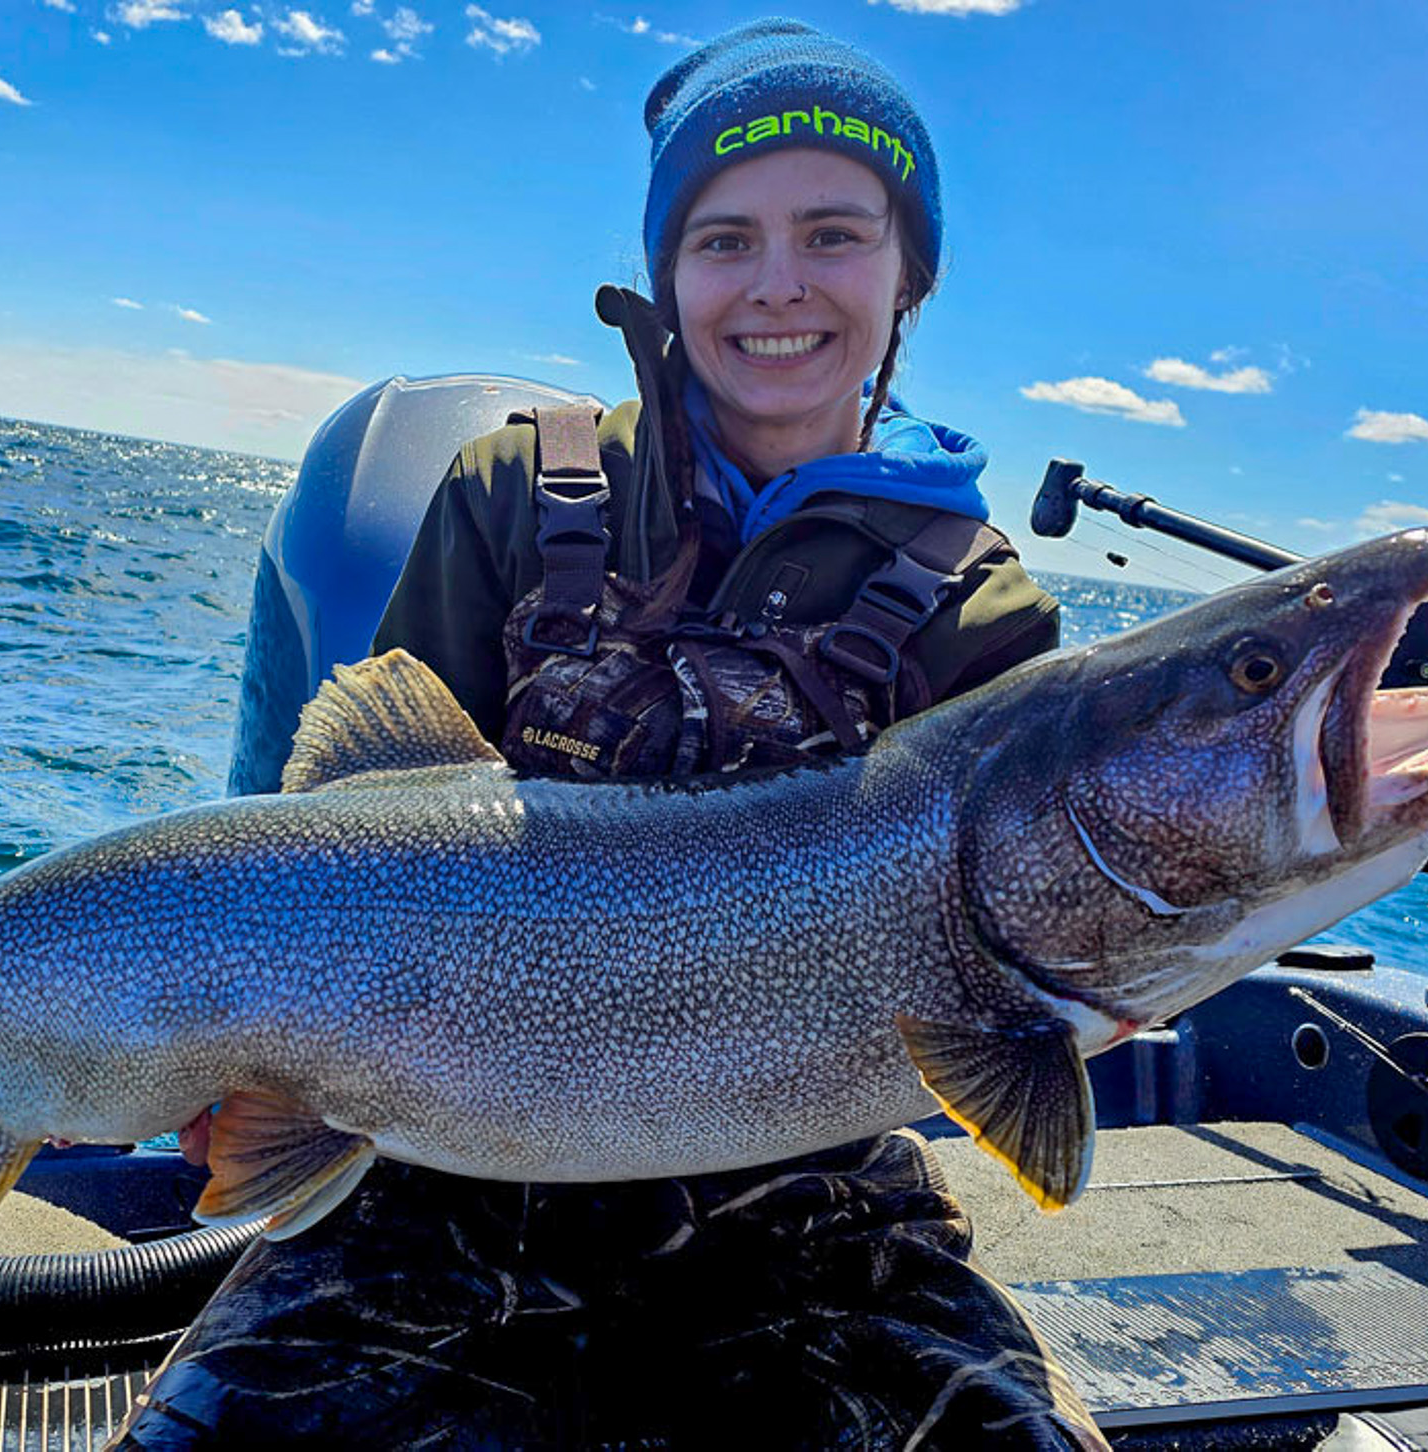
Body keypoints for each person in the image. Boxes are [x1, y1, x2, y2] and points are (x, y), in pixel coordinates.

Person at [118, 19, 1105, 1451]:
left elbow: (995, 976)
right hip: (430, 1157)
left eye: (834, 234)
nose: (778, 285)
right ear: (668, 273)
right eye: (724, 241)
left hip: (801, 1181)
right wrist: (245, 1061)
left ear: (910, 274)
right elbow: (340, 834)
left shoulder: (978, 609)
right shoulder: (518, 488)